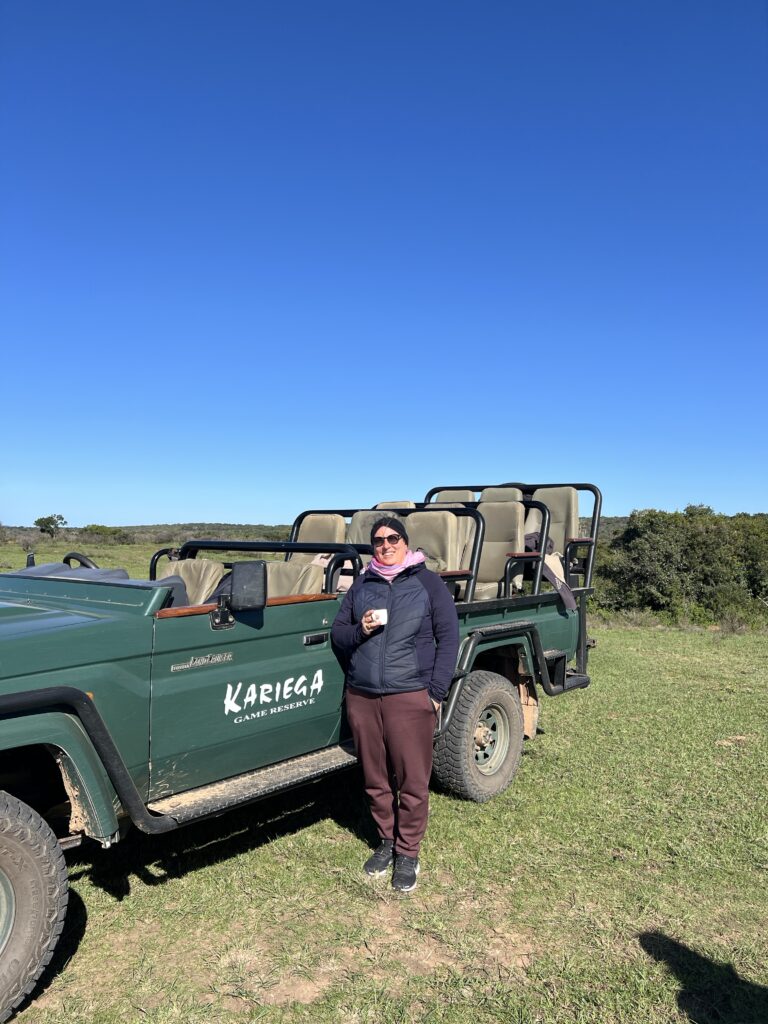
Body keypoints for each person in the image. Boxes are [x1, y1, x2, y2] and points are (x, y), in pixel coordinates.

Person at [331, 516, 459, 892]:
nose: (385, 545)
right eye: (378, 541)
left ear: (406, 542)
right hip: (363, 696)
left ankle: (409, 853)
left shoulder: (427, 583)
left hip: (409, 695)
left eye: (392, 538)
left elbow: (448, 638)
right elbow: (338, 635)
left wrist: (434, 693)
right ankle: (387, 842)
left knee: (413, 781)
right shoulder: (363, 584)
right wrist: (361, 630)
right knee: (374, 778)